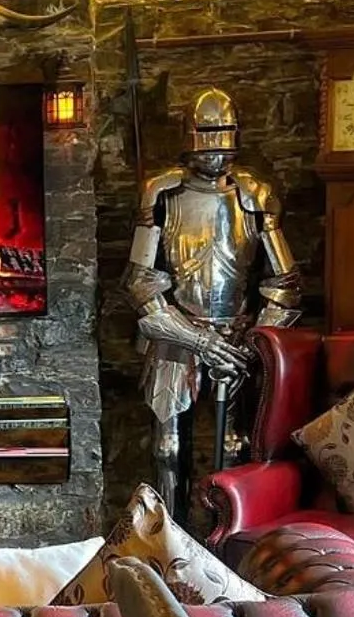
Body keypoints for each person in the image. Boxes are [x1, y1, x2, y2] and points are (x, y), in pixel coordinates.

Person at [124, 88, 302, 511]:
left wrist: (251, 343)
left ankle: (225, 543)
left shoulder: (253, 195)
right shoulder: (162, 194)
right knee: (167, 451)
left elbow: (285, 283)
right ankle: (168, 538)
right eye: (207, 133)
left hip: (238, 338)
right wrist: (199, 341)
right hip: (175, 335)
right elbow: (139, 282)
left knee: (235, 450)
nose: (215, 149)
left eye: (223, 134)